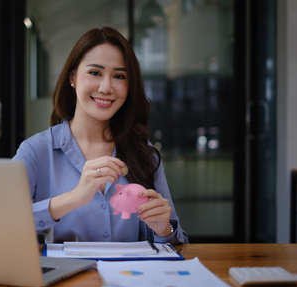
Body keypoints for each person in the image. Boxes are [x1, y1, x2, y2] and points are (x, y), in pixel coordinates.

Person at [13, 27, 188, 244]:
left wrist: (164, 229)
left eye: (119, 76)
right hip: (61, 277)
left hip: (131, 277)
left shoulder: (143, 152)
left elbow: (178, 243)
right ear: (73, 77)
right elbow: (0, 224)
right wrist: (74, 198)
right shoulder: (36, 151)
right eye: (95, 73)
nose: (106, 88)